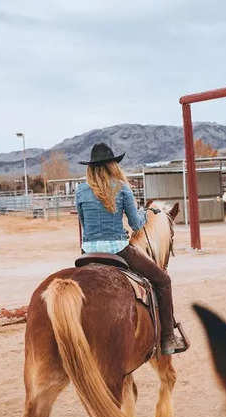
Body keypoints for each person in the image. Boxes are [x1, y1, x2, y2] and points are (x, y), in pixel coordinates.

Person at [76, 143, 186, 355]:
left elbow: (83, 222)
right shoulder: (121, 188)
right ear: (112, 166)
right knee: (163, 281)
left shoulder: (80, 191)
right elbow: (136, 225)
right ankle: (167, 339)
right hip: (118, 250)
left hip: (88, 253)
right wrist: (147, 213)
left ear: (90, 168)